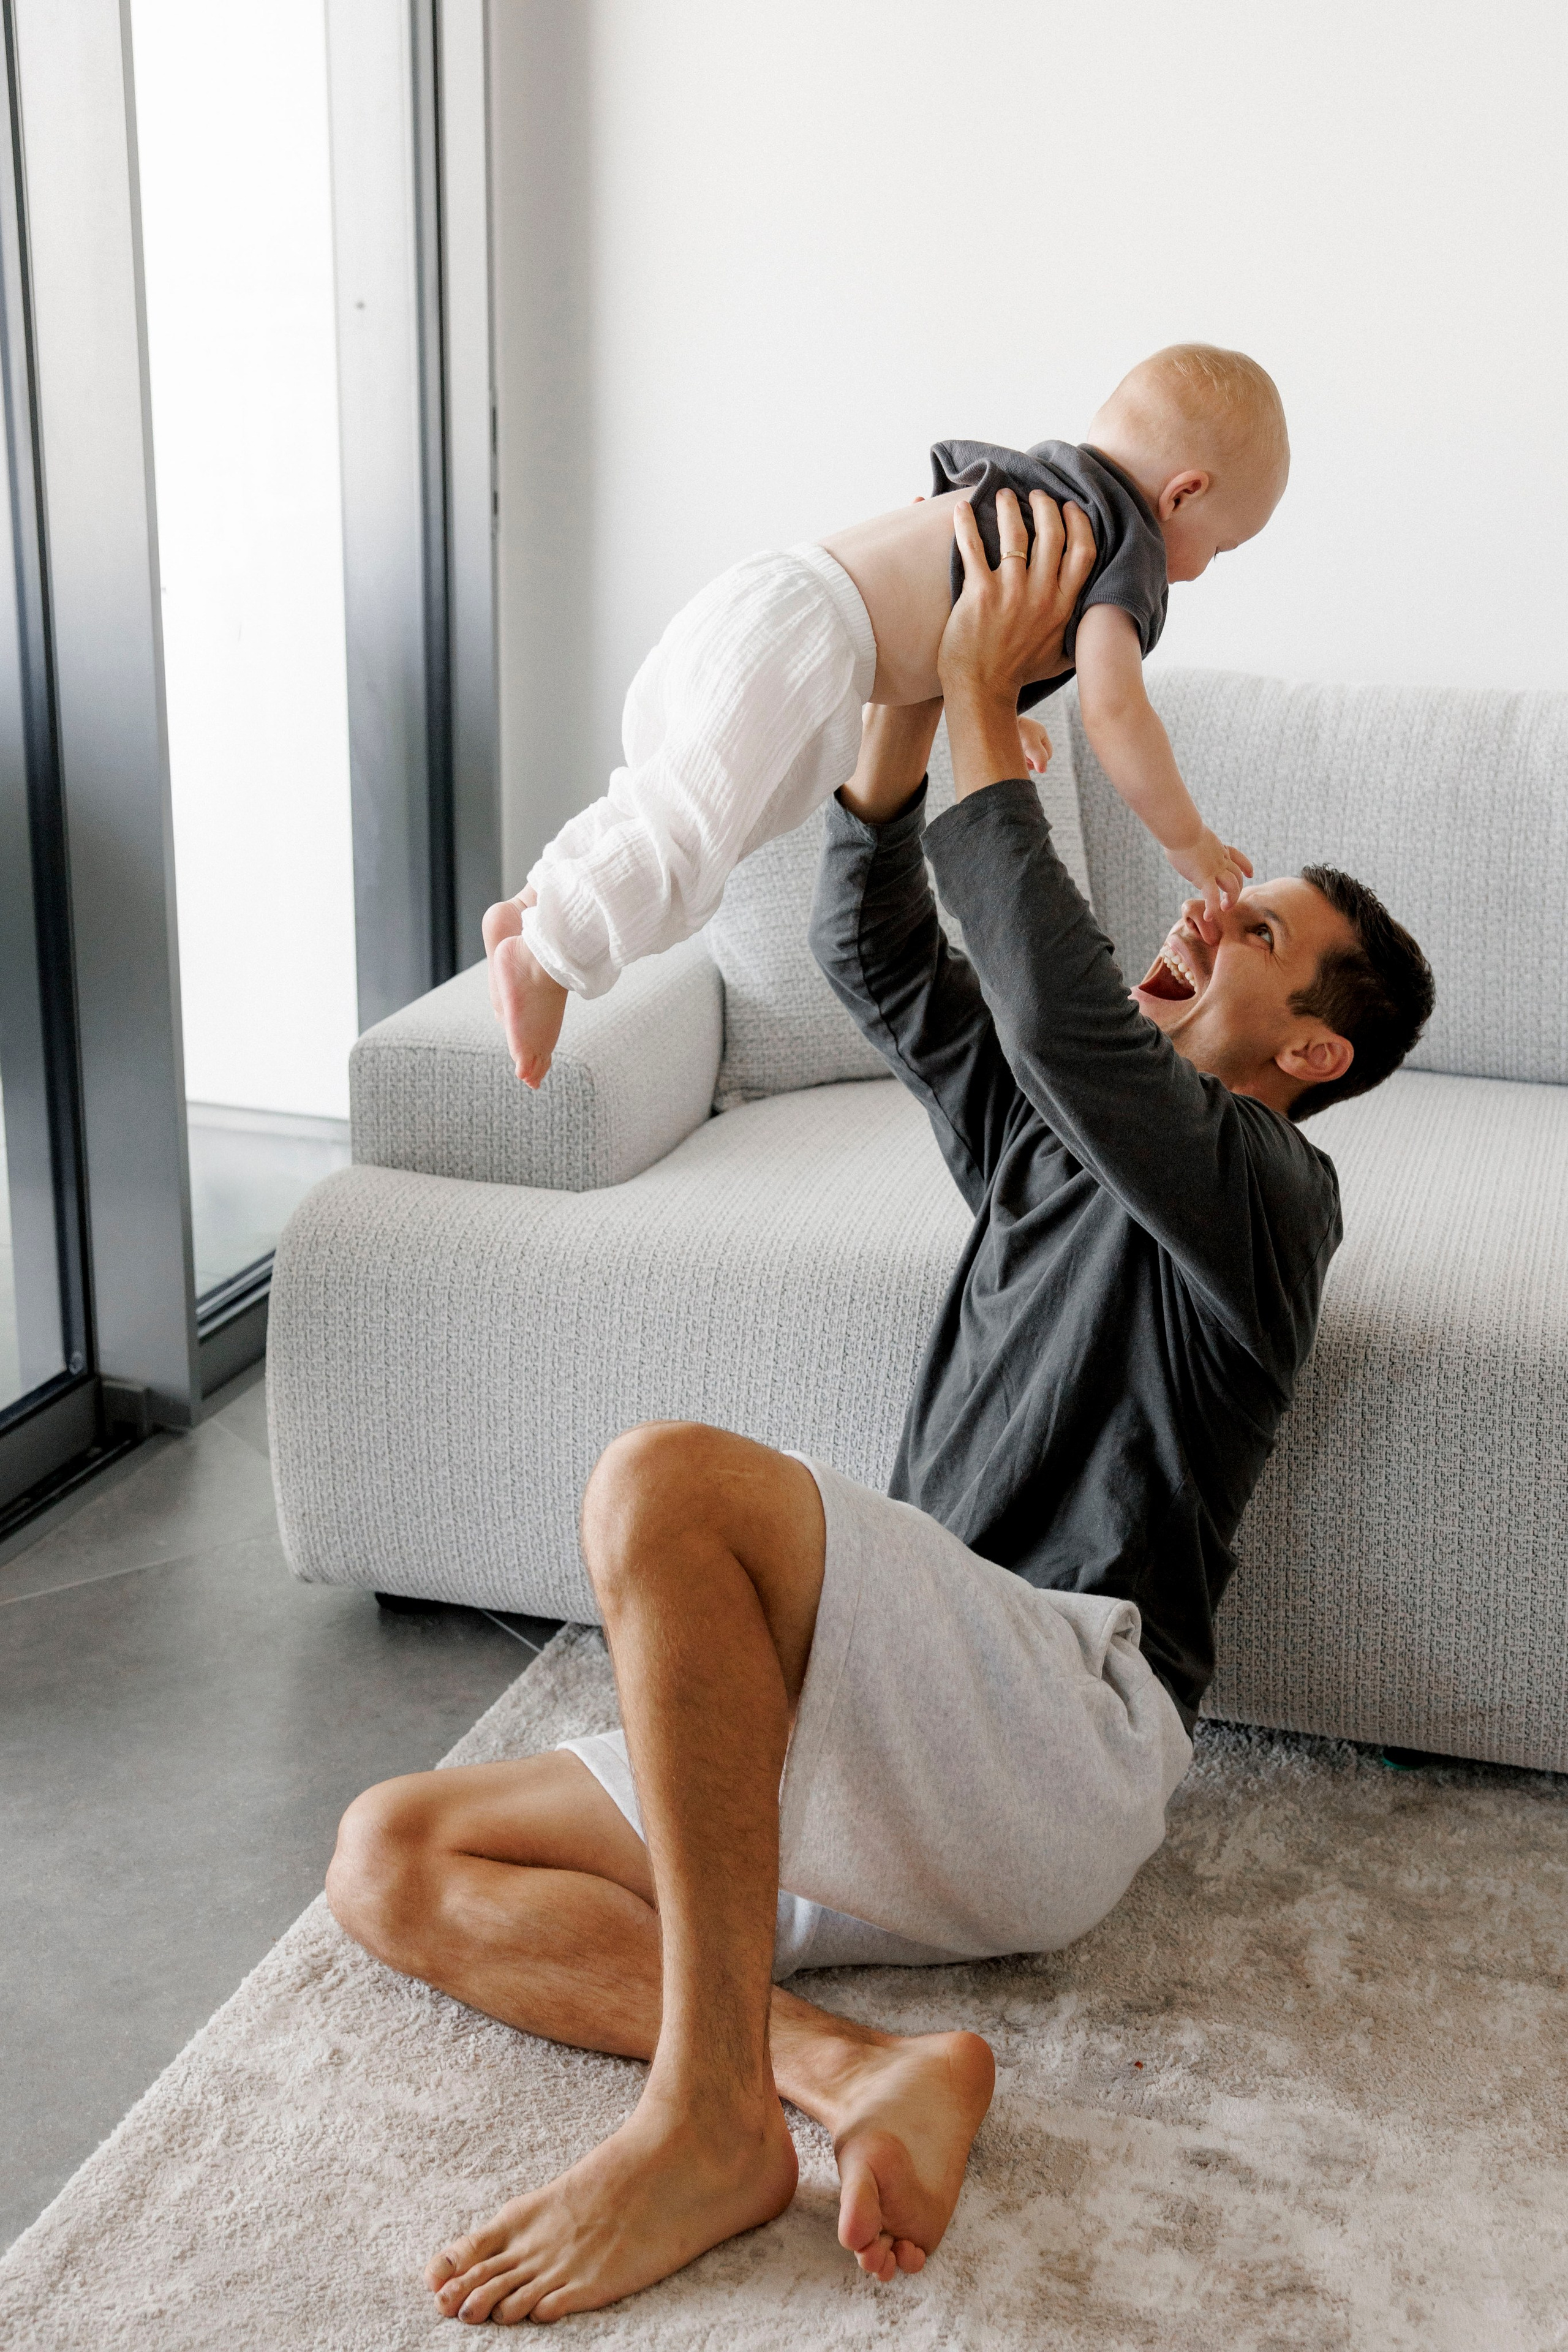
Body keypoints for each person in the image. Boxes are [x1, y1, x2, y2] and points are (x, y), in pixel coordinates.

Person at [324, 492, 1435, 2327]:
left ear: (1311, 1053)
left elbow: (1063, 1016)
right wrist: (908, 683)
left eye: (1253, 936)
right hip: (895, 1744)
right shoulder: (1044, 1146)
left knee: (661, 1487)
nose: (1206, 913)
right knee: (397, 1853)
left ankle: (702, 2121)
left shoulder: (1268, 1195)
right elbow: (881, 953)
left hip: (1059, 1726)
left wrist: (1000, 691)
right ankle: (848, 2079)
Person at [484, 344, 1288, 1086]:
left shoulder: (1038, 479)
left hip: (772, 591)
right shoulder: (1122, 547)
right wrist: (1189, 840)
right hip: (811, 645)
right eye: (1219, 550)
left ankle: (532, 906)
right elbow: (1117, 714)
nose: (1201, 570)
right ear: (1184, 494)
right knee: (692, 845)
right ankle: (551, 959)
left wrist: (1002, 711)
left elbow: (948, 605)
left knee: (662, 802)